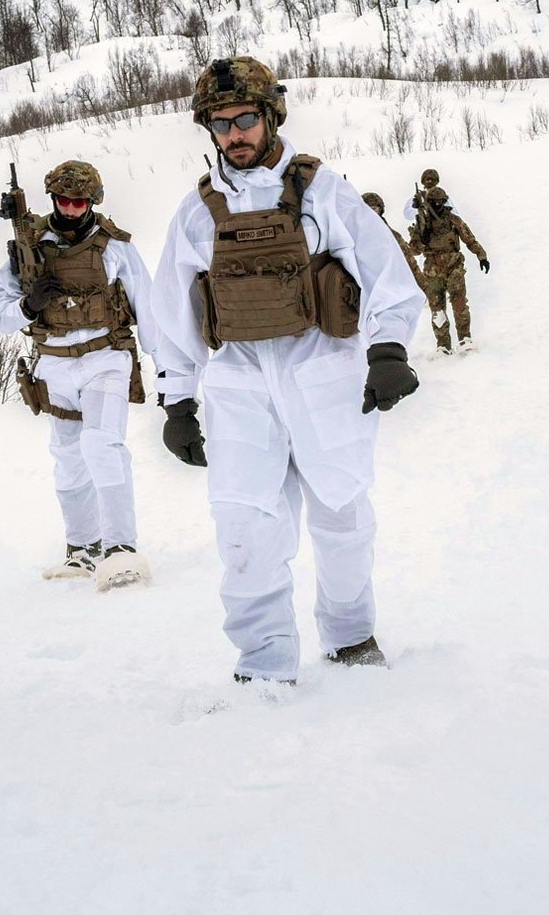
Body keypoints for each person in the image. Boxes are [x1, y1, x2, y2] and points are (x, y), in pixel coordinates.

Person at [151, 58, 426, 684]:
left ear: (270, 116)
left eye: (245, 119)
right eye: (220, 125)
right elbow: (172, 314)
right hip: (240, 392)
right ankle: (264, 664)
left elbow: (389, 276)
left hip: (325, 379)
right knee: (246, 529)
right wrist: (176, 401)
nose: (234, 135)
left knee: (343, 518)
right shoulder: (198, 214)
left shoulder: (323, 192)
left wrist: (387, 351)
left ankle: (352, 639)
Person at [0, 160, 160, 591]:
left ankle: (121, 548)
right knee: (67, 459)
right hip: (55, 365)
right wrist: (27, 306)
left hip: (106, 358)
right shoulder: (30, 248)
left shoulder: (115, 247)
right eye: (63, 200)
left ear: (93, 202)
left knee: (102, 445)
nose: (70, 207)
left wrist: (172, 374)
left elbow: (151, 309)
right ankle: (82, 548)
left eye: (79, 201)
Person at [409, 183, 491, 353]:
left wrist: (481, 256)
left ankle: (464, 338)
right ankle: (443, 345)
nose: (437, 205)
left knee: (459, 303)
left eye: (440, 202)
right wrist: (421, 238)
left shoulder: (453, 220)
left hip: (454, 266)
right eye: (433, 202)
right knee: (437, 309)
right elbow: (414, 250)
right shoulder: (422, 222)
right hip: (432, 269)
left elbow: (469, 239)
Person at [364, 191, 424, 285]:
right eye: (367, 209)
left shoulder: (391, 235)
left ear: (380, 210)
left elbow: (408, 259)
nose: (371, 212)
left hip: (385, 283)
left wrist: (422, 285)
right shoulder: (354, 231)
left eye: (374, 208)